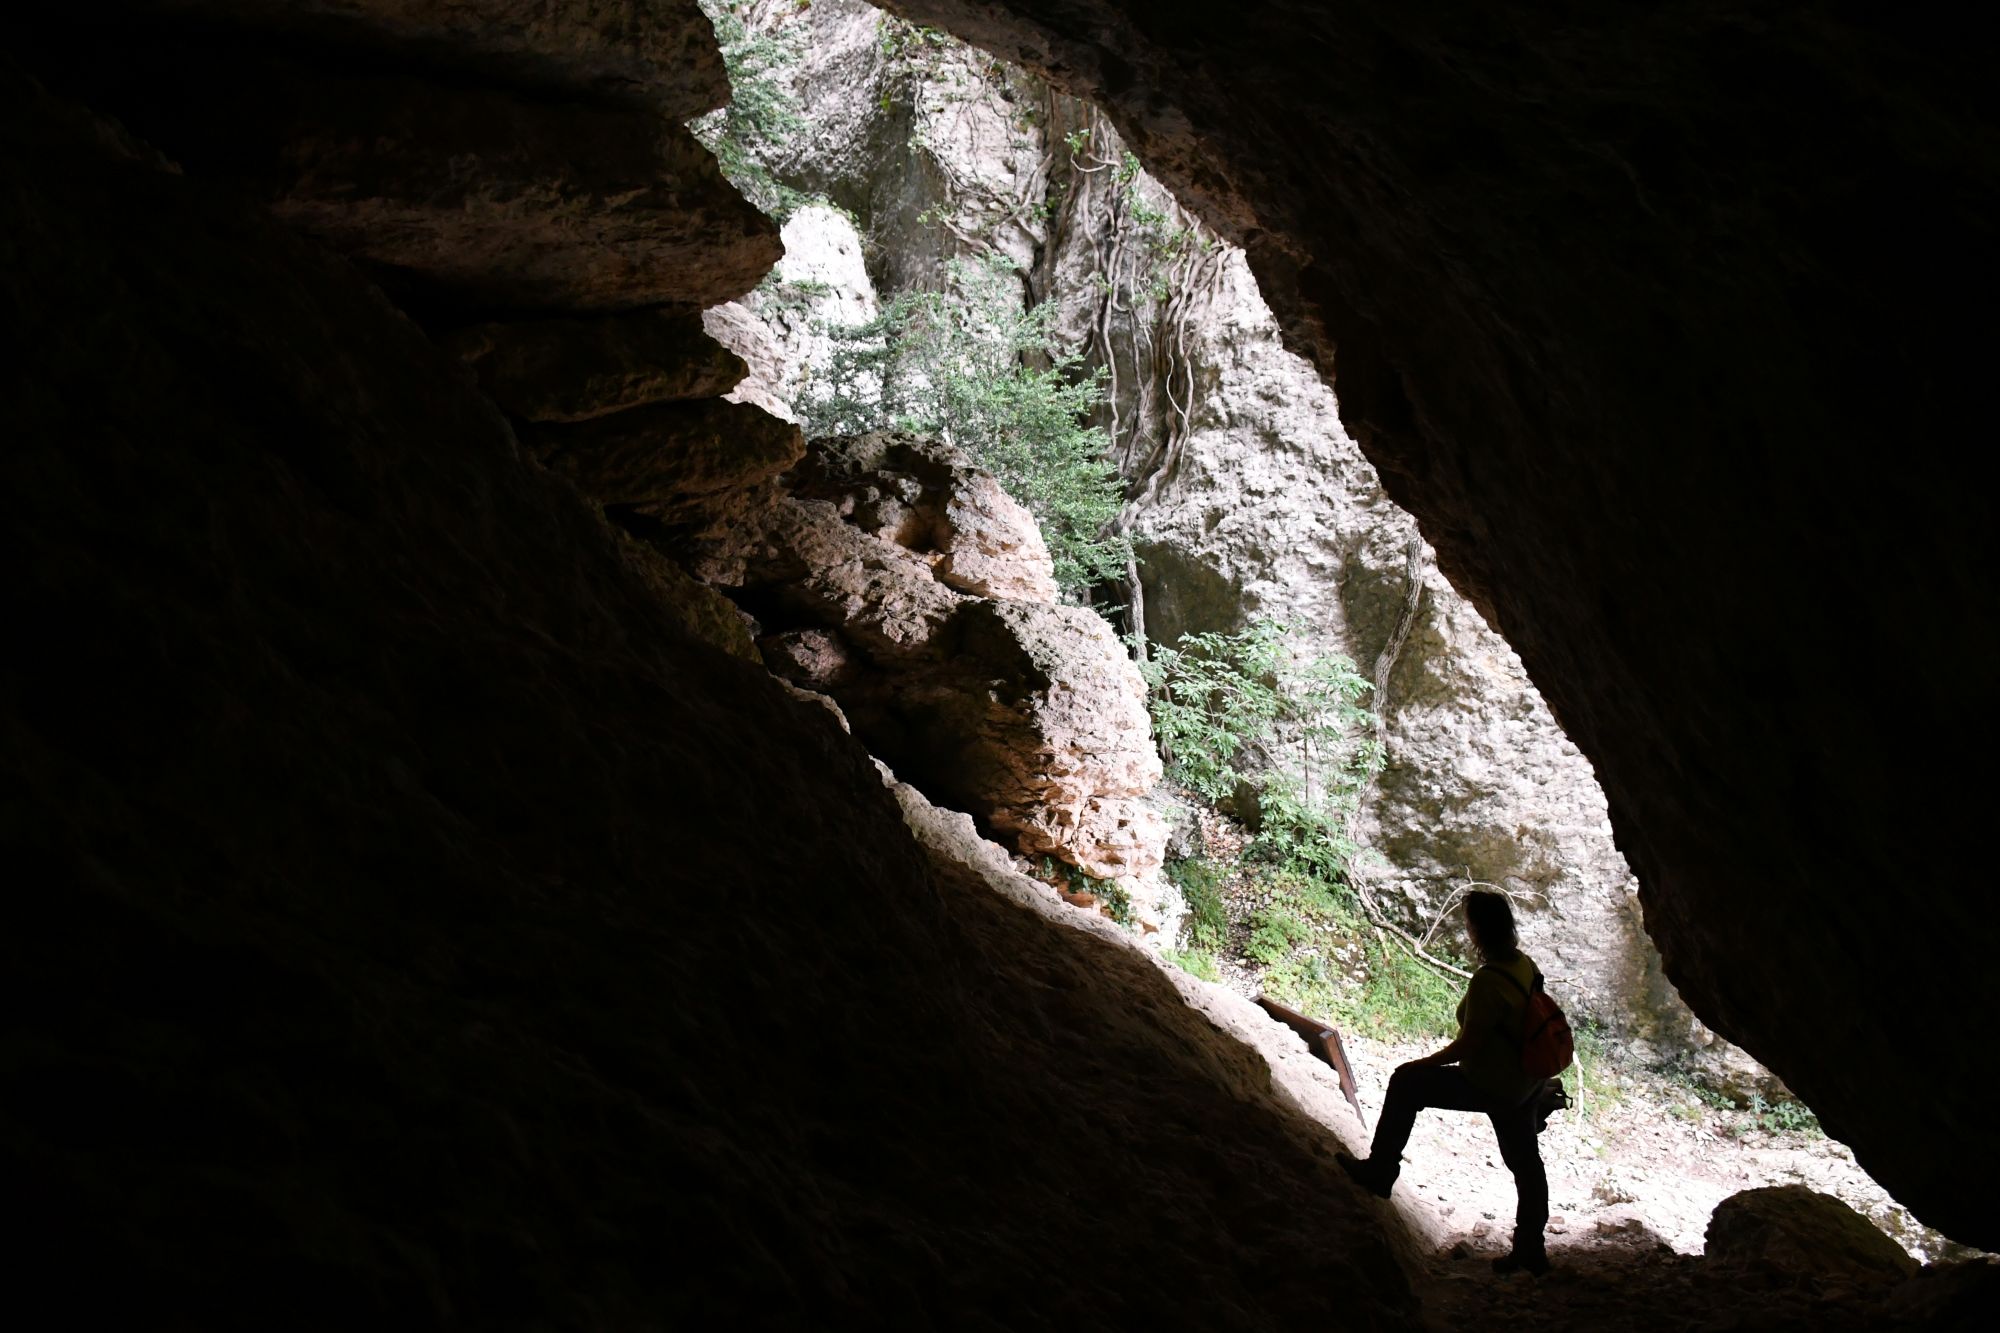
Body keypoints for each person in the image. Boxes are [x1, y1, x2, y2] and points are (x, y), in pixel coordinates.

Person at [1336, 890, 1552, 1275]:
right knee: (1526, 1163)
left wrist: (1422, 1063)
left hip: (1493, 1084)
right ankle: (1531, 1248)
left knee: (1406, 1083)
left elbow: (1469, 1043)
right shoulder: (1523, 964)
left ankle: (1380, 1172)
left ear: (1478, 930)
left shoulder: (1489, 980)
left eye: (1469, 922)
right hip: (1527, 1081)